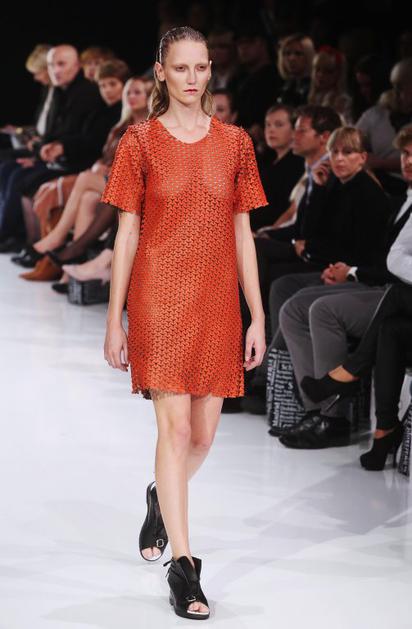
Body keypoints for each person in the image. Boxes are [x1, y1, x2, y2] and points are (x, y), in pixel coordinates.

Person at [101, 26, 268, 620]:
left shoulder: (236, 143)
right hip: (159, 298)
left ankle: (159, 495)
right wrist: (115, 318)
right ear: (161, 72)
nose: (193, 78)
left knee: (201, 439)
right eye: (181, 68)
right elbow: (126, 234)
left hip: (218, 301)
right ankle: (185, 569)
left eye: (201, 67)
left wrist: (257, 314)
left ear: (210, 71)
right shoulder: (139, 141)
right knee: (173, 434)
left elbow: (244, 234)